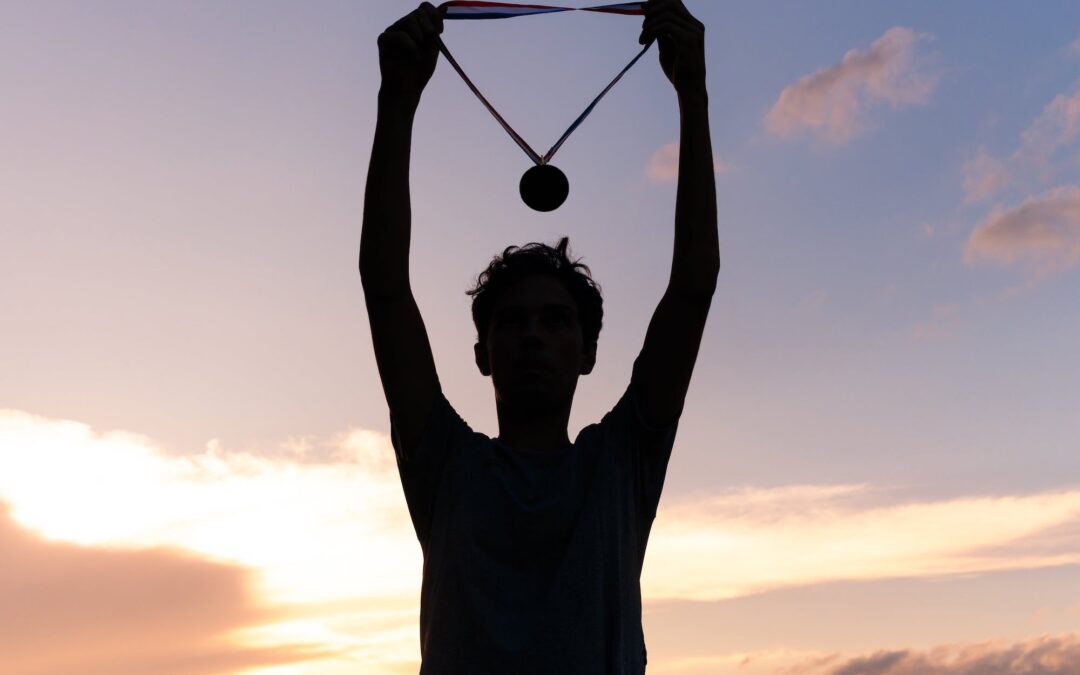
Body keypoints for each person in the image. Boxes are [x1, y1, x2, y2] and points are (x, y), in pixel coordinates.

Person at [360, 1, 718, 672]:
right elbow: (383, 285)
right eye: (512, 322)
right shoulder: (446, 465)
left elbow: (695, 283)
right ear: (481, 353)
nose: (532, 336)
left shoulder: (620, 463)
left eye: (556, 321)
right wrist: (398, 101)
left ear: (587, 353)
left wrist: (693, 94)